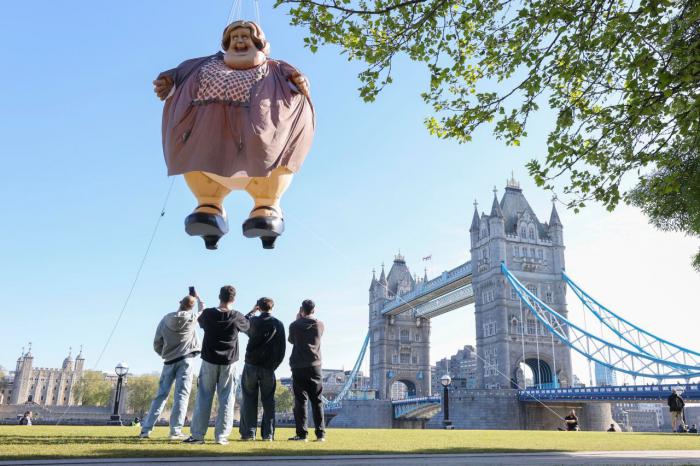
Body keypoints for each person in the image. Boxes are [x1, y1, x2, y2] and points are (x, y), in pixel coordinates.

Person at [153, 20, 315, 250]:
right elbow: (178, 76)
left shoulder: (275, 68)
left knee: (275, 153)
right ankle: (209, 205)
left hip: (259, 151)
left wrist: (298, 80)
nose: (239, 41)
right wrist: (168, 81)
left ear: (257, 42)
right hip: (210, 146)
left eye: (245, 37)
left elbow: (296, 80)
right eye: (235, 37)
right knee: (197, 155)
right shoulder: (202, 65)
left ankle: (266, 205)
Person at [184, 286, 250, 445]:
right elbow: (247, 326)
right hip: (229, 362)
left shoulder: (208, 314)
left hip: (209, 360)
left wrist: (199, 298)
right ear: (233, 299)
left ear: (219, 296)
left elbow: (202, 316)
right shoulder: (237, 316)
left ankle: (198, 436)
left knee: (204, 397)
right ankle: (221, 436)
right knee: (227, 398)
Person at [139, 293, 204, 440]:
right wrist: (198, 297)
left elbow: (157, 342)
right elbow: (203, 308)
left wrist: (165, 353)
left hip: (169, 361)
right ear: (192, 307)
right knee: (181, 395)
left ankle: (146, 430)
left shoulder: (166, 319)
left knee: (160, 396)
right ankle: (175, 431)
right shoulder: (192, 318)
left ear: (180, 302)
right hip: (186, 360)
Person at [239, 297, 286, 441]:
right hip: (268, 367)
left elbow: (241, 323)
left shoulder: (253, 322)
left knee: (248, 399)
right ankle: (268, 434)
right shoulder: (278, 324)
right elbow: (282, 349)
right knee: (268, 401)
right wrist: (274, 365)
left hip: (251, 365)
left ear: (259, 307)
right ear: (272, 307)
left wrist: (252, 312)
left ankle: (249, 433)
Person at [288, 299, 325, 442]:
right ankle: (320, 434)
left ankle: (302, 435)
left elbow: (291, 340)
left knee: (300, 400)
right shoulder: (320, 325)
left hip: (298, 366)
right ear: (314, 310)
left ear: (302, 310)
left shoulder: (294, 325)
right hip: (315, 365)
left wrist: (298, 319)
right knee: (317, 400)